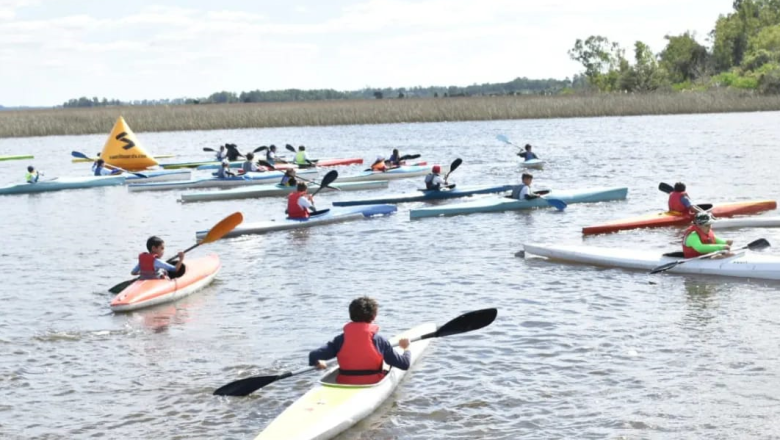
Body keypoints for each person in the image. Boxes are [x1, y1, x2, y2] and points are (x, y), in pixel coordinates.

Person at [309, 296, 411, 385]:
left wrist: (318, 362)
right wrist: (406, 349)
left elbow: (313, 355)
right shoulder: (379, 340)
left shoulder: (340, 340)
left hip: (345, 382)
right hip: (372, 383)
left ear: (351, 315)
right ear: (374, 316)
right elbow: (404, 364)